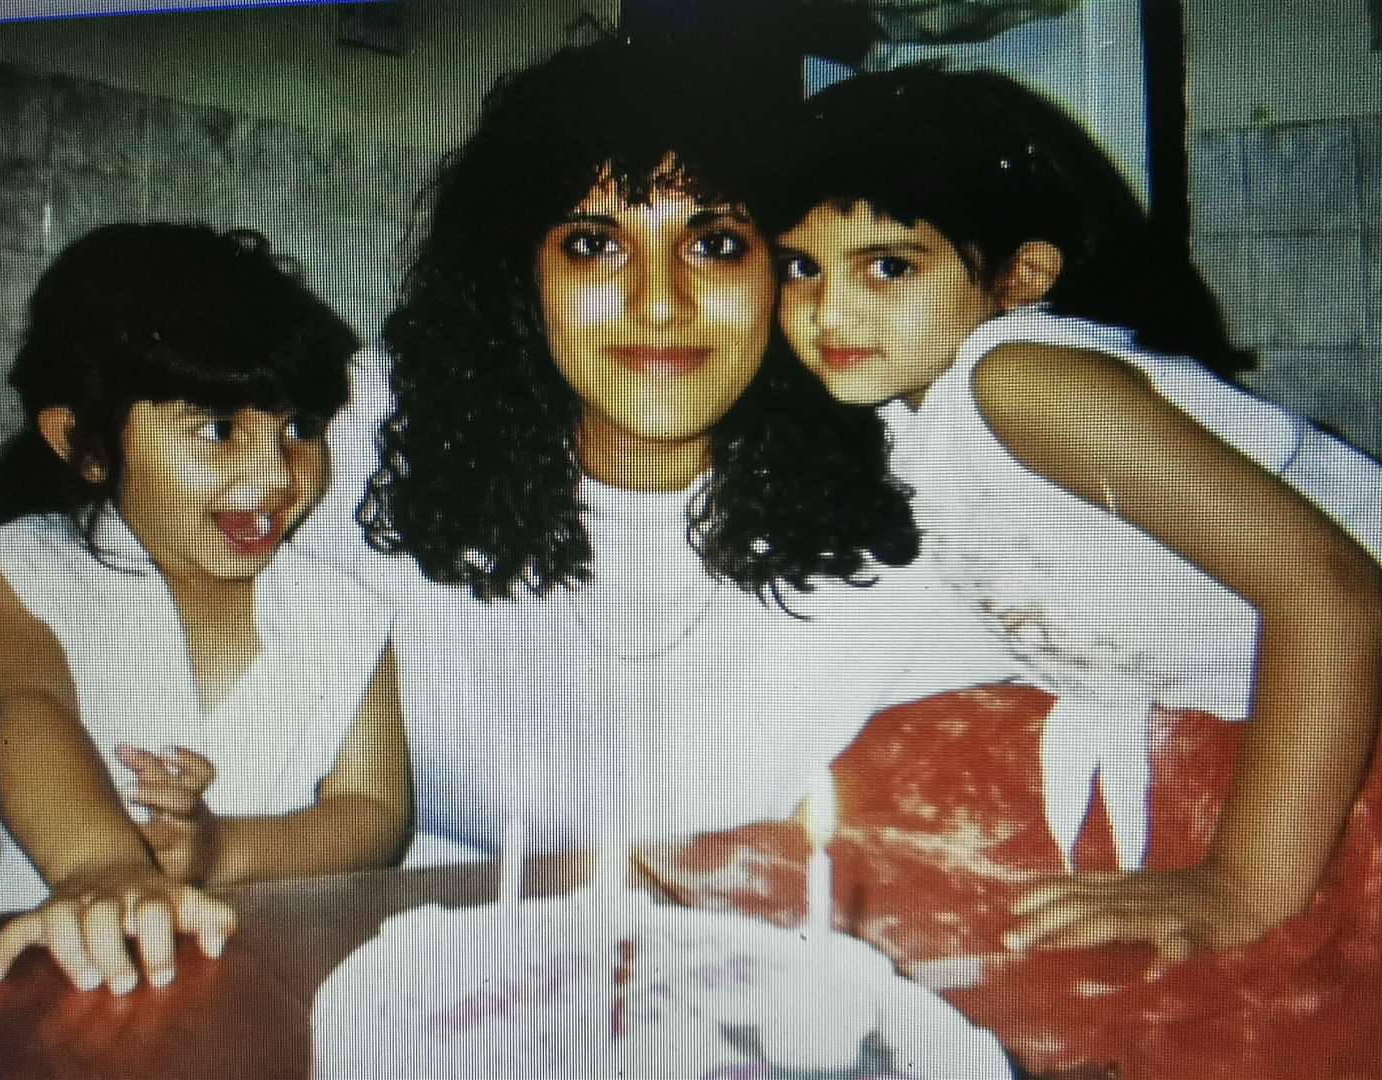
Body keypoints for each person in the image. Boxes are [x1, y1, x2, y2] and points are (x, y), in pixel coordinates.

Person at [732, 65, 1382, 1075]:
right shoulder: (932, 399)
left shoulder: (1021, 376)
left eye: (886, 267)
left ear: (1019, 276)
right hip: (1262, 694)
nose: (827, 311)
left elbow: (1334, 594)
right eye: (800, 268)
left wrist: (1240, 886)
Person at [296, 37, 1017, 866]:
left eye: (714, 244)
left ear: (782, 270)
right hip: (410, 952)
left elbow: (1159, 671)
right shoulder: (378, 433)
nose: (661, 306)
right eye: (594, 244)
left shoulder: (925, 482)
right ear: (520, 276)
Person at [0, 223, 409, 995]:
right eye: (218, 430)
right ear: (84, 444)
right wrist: (104, 868)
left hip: (264, 974)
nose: (273, 475)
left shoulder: (344, 608)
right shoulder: (15, 571)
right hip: (58, 958)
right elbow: (22, 711)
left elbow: (373, 812)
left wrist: (219, 850)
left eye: (299, 429)